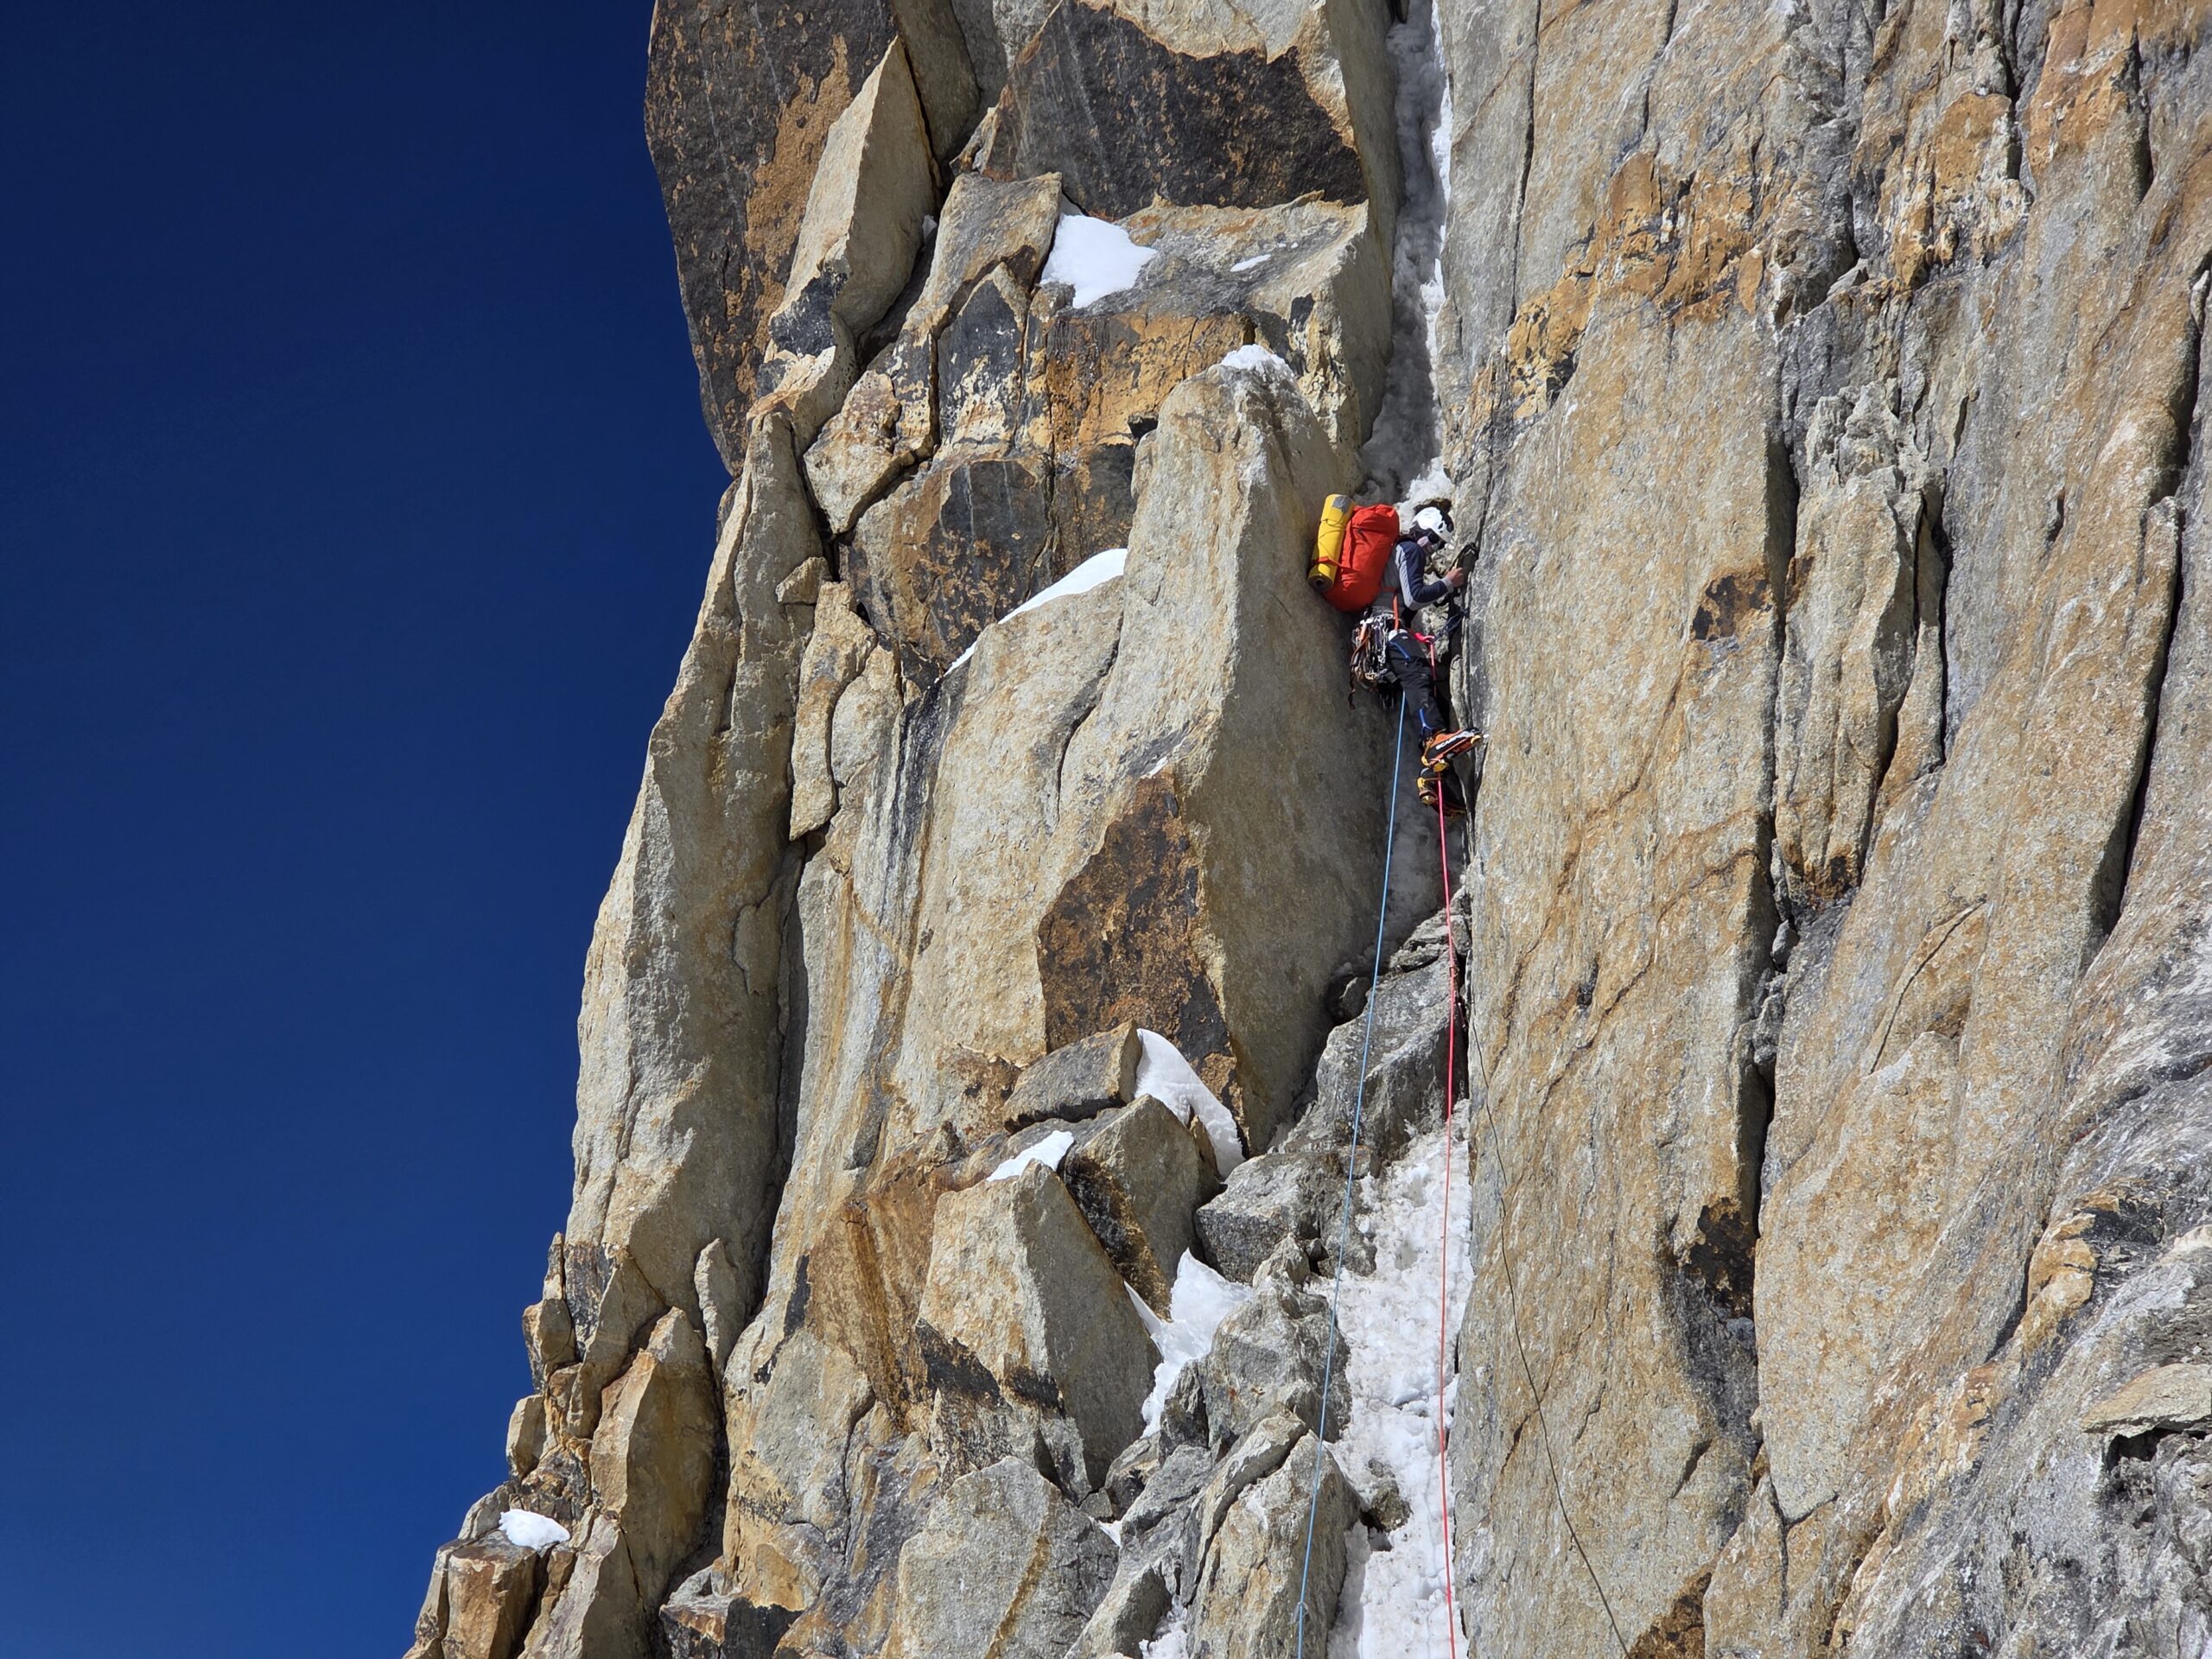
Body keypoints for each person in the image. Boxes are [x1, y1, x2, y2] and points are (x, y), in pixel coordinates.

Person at [1371, 502, 1481, 814]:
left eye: (1439, 544)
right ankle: (1434, 742)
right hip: (1388, 629)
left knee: (1425, 688)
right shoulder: (1411, 549)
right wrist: (1449, 583)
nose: (1433, 548)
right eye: (1434, 540)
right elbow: (1415, 597)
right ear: (1423, 531)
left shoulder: (1402, 549)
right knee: (1418, 674)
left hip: (1382, 634)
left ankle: (1433, 776)